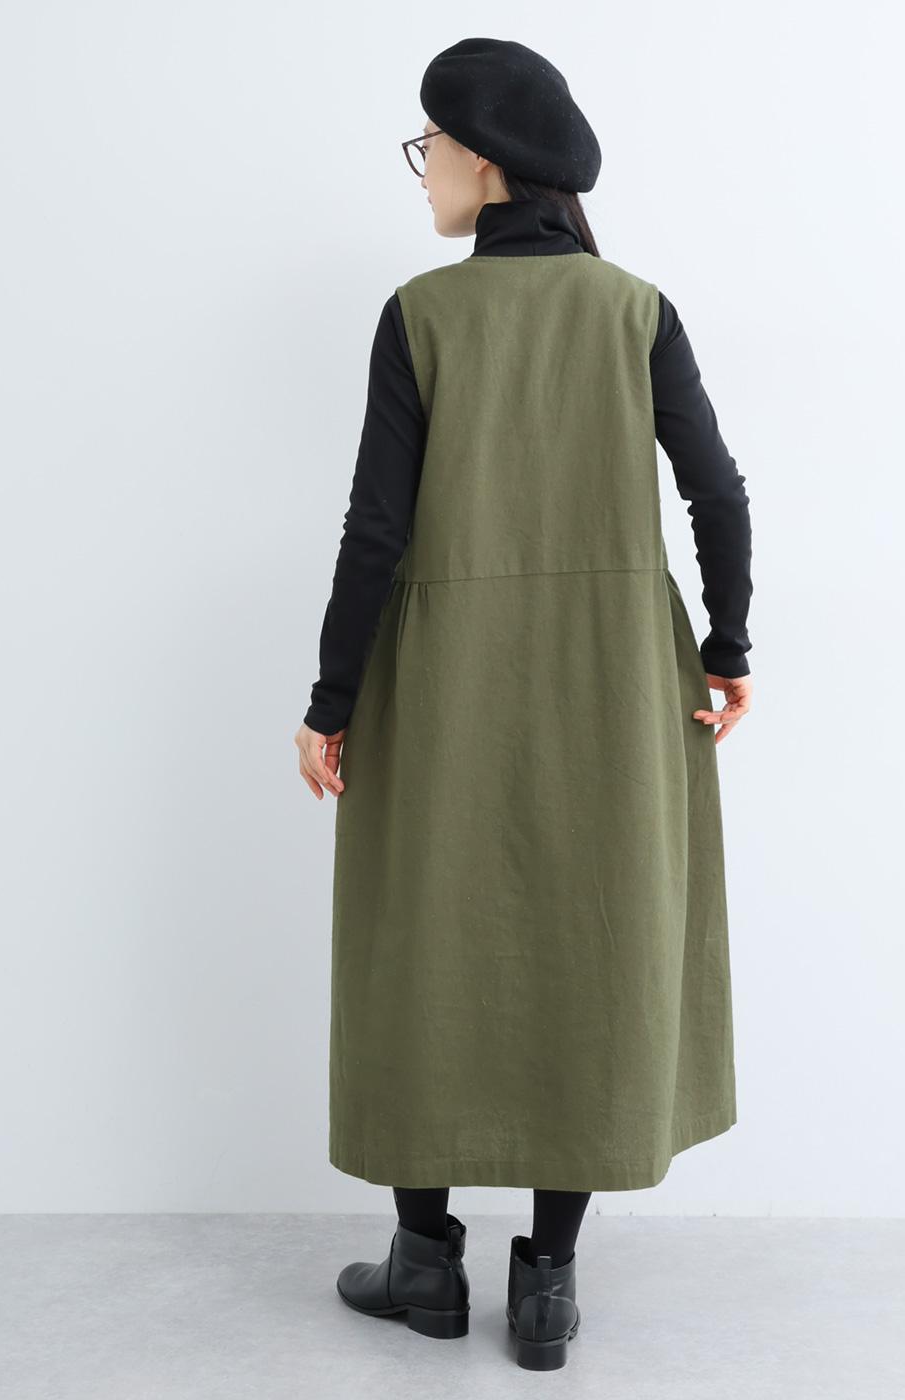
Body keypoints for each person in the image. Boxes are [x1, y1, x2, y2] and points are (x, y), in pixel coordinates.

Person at [293, 38, 753, 1372]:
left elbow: (377, 533)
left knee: (419, 933)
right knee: (593, 943)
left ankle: (423, 1262)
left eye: (429, 146)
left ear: (485, 163)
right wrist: (726, 644)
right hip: (617, 678)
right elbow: (717, 493)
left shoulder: (421, 316)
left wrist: (330, 699)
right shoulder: (635, 310)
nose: (423, 168)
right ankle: (547, 1282)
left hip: (440, 675)